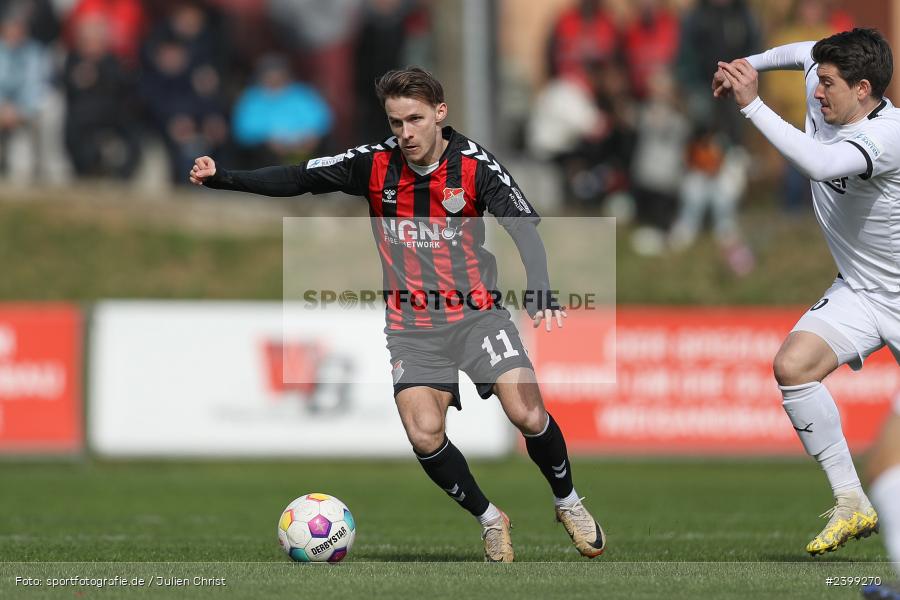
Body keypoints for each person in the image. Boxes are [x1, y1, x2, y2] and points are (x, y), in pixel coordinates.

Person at [188, 67, 606, 562]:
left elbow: (523, 228)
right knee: (424, 433)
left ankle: (568, 501)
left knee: (527, 412)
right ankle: (491, 519)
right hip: (412, 326)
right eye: (395, 122)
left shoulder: (475, 166)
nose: (404, 133)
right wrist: (224, 178)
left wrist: (539, 286)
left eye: (414, 119)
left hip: (479, 316)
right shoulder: (374, 164)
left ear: (439, 114)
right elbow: (298, 178)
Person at [713, 28, 898, 557]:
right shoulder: (829, 78)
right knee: (794, 366)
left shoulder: (889, 136)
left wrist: (753, 105)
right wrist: (742, 63)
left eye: (830, 85)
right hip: (861, 291)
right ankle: (850, 502)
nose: (816, 91)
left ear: (864, 89)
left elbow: (820, 164)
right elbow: (799, 52)